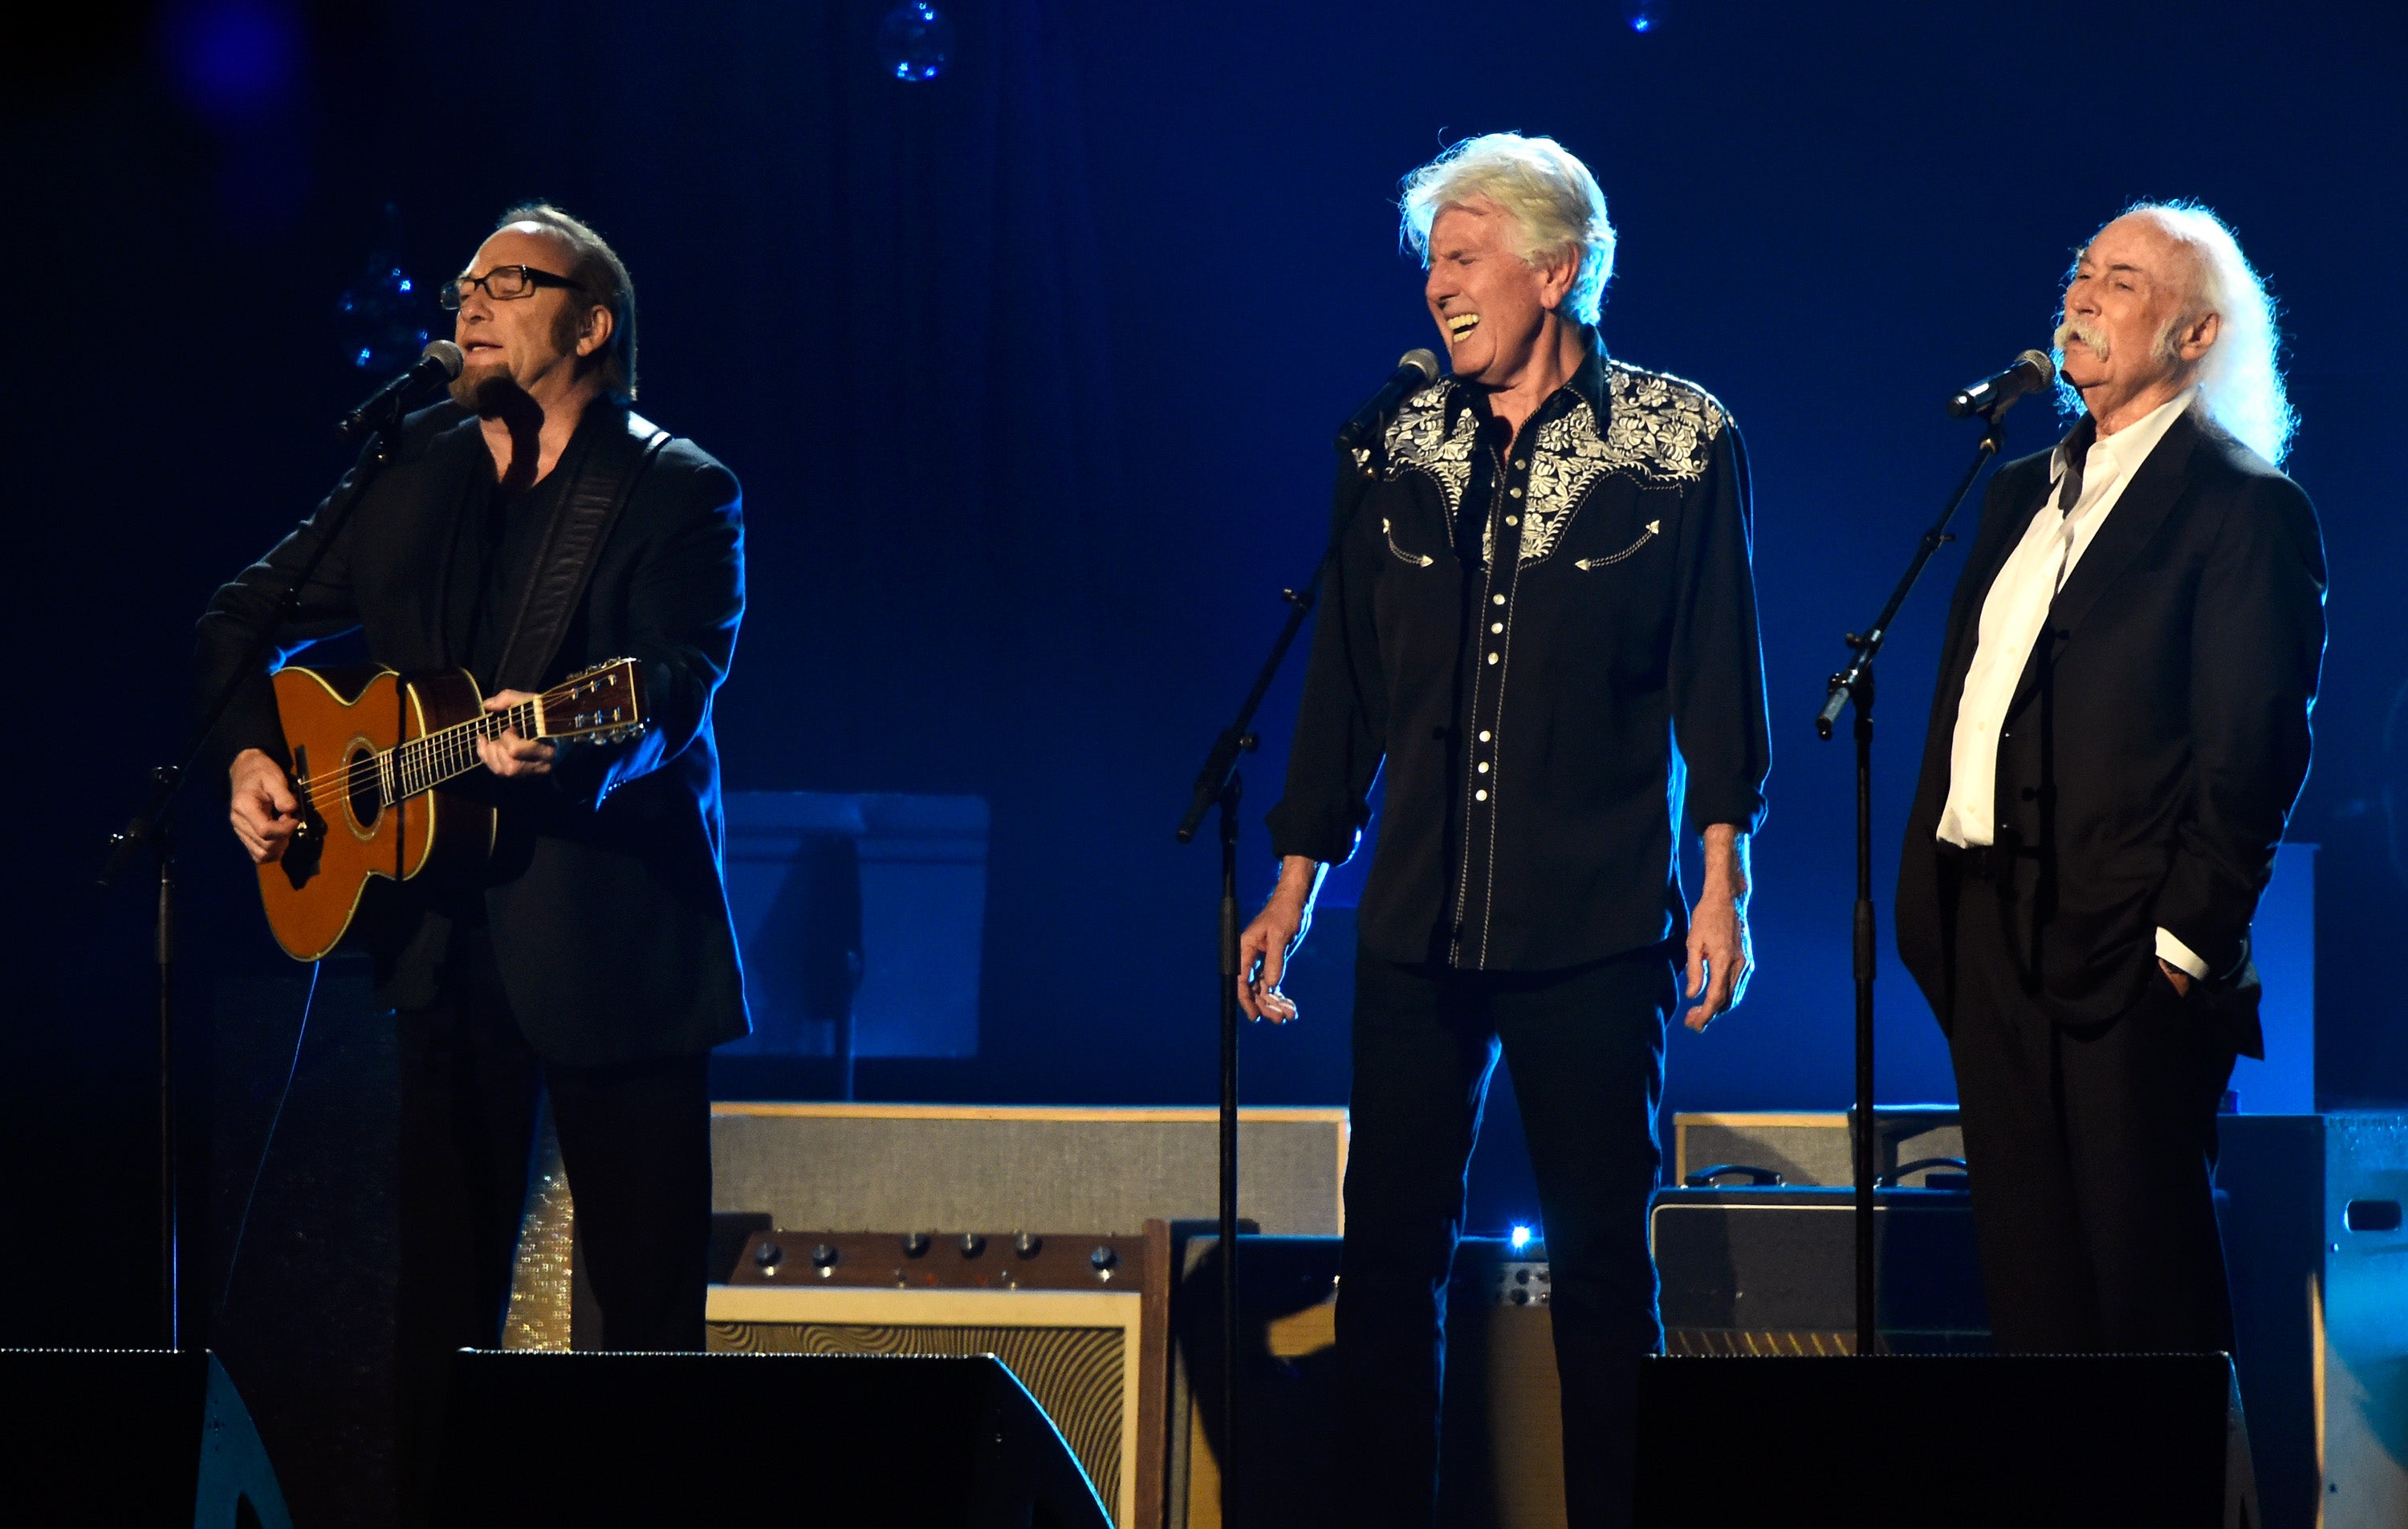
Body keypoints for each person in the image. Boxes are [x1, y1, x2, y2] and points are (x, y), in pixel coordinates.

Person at [1237, 133, 1771, 1528]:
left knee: (1603, 1263)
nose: (1437, 288)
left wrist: (1723, 877)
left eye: (1464, 258)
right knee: (1389, 1255)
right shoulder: (1387, 440)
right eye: (1431, 263)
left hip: (1597, 924)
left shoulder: (1679, 439)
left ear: (1558, 267)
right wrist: (1297, 878)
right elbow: (1344, 682)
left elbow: (1719, 675)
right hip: (1414, 919)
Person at [195, 204, 749, 1519]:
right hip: (441, 944)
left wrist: (575, 749)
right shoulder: (416, 467)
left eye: (512, 282)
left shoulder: (680, 487)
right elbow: (240, 615)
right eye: (468, 283)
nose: (474, 301)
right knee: (439, 1303)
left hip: (617, 938)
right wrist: (249, 760)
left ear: (590, 323)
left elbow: (674, 683)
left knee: (646, 1305)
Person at [1894, 202, 2325, 1355]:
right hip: (1991, 939)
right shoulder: (2015, 489)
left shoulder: (2243, 508)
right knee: (2033, 1307)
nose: (2082, 297)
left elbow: (2253, 753)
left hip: (2129, 954)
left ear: (2196, 335)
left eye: (2123, 283)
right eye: (2082, 272)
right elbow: (1963, 702)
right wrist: (1935, 909)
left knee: (2144, 1311)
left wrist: (2180, 951)